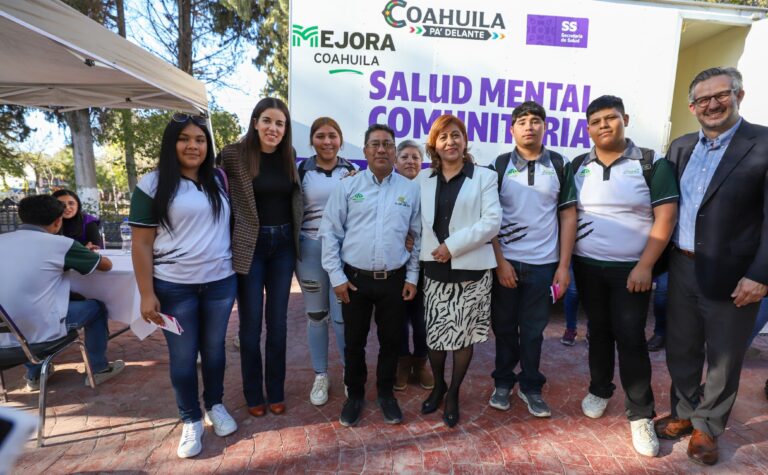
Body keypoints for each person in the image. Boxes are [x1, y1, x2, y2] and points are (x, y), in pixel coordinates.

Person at [655, 67, 768, 466]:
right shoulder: (681, 146)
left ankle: (708, 425)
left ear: (739, 94)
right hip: (681, 266)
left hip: (736, 275)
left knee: (724, 356)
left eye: (721, 95)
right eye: (703, 99)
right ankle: (684, 413)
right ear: (692, 107)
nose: (712, 104)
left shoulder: (763, 143)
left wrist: (761, 274)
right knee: (681, 348)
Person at [572, 95, 679, 457]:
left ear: (625, 119)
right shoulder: (577, 165)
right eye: (596, 121)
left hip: (632, 272)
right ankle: (600, 389)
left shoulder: (651, 164)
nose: (604, 125)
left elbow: (666, 218)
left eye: (611, 118)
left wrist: (646, 265)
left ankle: (641, 414)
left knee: (631, 337)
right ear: (588, 128)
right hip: (587, 267)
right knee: (598, 331)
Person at [130, 114, 237, 458]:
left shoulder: (218, 180)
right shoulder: (152, 185)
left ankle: (215, 405)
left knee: (215, 350)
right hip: (175, 288)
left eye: (200, 140)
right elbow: (141, 244)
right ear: (171, 143)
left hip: (220, 283)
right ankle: (191, 418)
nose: (193, 146)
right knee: (183, 357)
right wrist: (147, 294)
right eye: (185, 139)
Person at [320, 124, 421, 427]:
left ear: (394, 151)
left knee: (391, 342)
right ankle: (355, 397)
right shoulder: (347, 186)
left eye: (387, 144)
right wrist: (337, 277)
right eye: (375, 144)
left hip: (394, 280)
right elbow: (330, 232)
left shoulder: (409, 189)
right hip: (354, 280)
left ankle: (386, 395)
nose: (381, 149)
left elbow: (417, 237)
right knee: (354, 343)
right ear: (364, 151)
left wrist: (412, 277)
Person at [488, 101, 577, 417]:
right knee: (503, 328)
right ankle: (502, 382)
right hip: (507, 264)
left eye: (536, 120)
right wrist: (499, 262)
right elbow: (490, 217)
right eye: (522, 121)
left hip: (543, 265)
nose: (529, 126)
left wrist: (563, 267)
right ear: (512, 129)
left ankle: (530, 386)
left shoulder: (558, 164)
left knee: (533, 331)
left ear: (544, 127)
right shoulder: (498, 165)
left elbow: (568, 216)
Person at [220, 98, 303, 418]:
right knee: (250, 325)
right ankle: (253, 393)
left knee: (278, 323)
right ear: (255, 122)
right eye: (267, 121)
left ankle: (277, 391)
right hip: (249, 246)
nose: (273, 128)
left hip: (282, 246)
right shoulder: (232, 154)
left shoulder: (289, 156)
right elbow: (216, 193)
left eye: (280, 123)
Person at [418, 115, 501, 427]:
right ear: (434, 146)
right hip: (434, 269)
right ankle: (438, 385)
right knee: (436, 339)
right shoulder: (422, 181)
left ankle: (453, 393)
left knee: (463, 338)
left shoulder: (484, 177)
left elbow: (492, 221)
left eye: (456, 136)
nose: (450, 142)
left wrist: (452, 246)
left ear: (465, 141)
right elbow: (417, 223)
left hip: (472, 270)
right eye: (443, 137)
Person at [0, 195, 123, 391]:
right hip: (40, 334)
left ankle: (34, 374)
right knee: (96, 308)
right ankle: (98, 368)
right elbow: (105, 265)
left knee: (18, 310)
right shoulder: (60, 244)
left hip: (3, 341)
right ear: (58, 222)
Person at [296, 117, 358, 406]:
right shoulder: (300, 171)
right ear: (312, 141)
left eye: (332, 135)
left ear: (340, 140)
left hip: (344, 252)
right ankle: (321, 374)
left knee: (342, 318)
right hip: (309, 250)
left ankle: (349, 372)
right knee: (316, 316)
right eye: (320, 136)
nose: (327, 141)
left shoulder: (353, 172)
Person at [393, 139, 434, 391]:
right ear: (396, 162)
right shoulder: (389, 188)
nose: (410, 161)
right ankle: (402, 363)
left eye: (415, 157)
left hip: (425, 265)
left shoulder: (430, 187)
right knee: (397, 320)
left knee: (422, 321)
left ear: (422, 162)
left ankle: (421, 363)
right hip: (396, 267)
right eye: (405, 157)